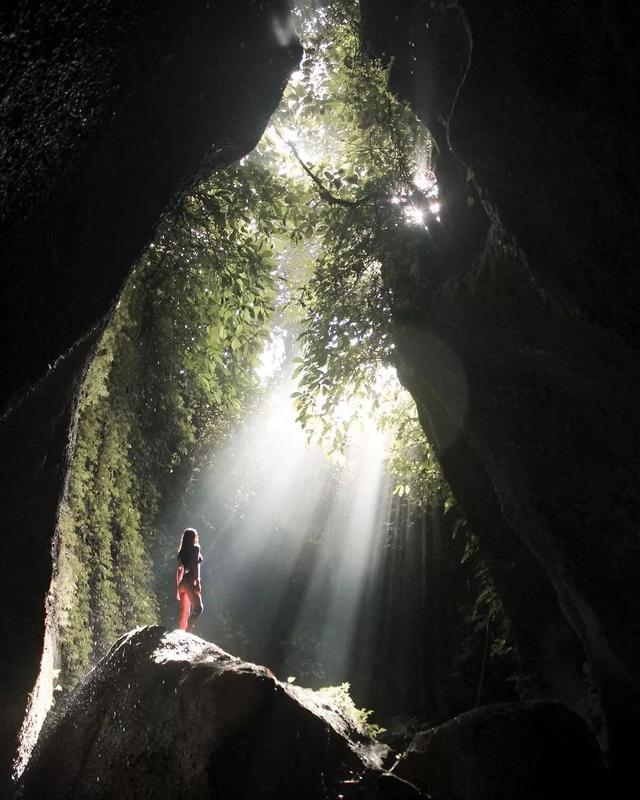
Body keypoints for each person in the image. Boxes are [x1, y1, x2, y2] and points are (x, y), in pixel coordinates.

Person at [176, 527, 204, 632]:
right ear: (194, 538)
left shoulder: (181, 552)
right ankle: (188, 632)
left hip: (182, 583)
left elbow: (179, 571)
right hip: (190, 581)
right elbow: (196, 566)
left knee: (184, 613)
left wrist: (178, 589)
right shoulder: (196, 548)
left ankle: (181, 633)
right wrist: (197, 582)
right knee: (198, 608)